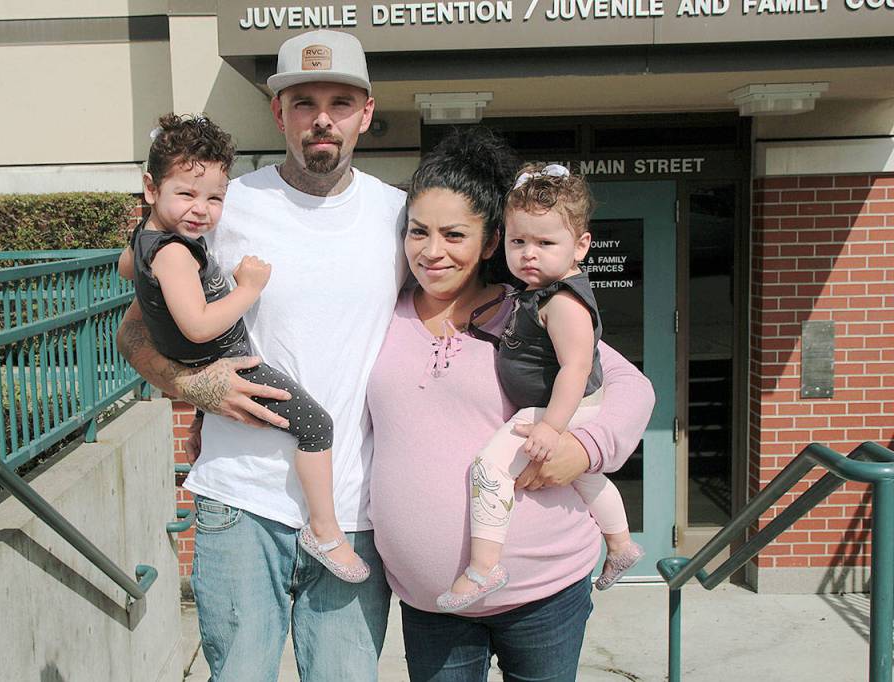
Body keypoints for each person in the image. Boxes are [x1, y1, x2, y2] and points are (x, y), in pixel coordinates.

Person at [116, 30, 406, 680]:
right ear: (279, 113)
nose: (322, 118)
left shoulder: (399, 217)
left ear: (365, 111)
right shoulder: (220, 207)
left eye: (340, 101)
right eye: (303, 101)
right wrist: (191, 389)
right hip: (241, 503)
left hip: (355, 513)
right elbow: (133, 332)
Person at [367, 128, 655, 680]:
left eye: (454, 235)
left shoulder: (528, 311)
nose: (433, 251)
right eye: (418, 232)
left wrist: (584, 448)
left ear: (490, 241)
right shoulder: (384, 313)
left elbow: (627, 385)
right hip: (433, 605)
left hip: (542, 591)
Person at [121, 112, 368, 582]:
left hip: (212, 361)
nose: (202, 210)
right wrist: (247, 288)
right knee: (317, 425)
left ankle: (323, 527)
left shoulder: (148, 240)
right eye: (187, 194)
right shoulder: (174, 252)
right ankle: (326, 529)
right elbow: (197, 327)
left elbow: (125, 269)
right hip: (229, 362)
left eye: (215, 198)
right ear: (151, 188)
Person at [437, 163, 643, 612]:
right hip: (560, 407)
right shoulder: (535, 292)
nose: (529, 254)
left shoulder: (564, 301)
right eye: (518, 241)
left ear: (581, 245)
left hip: (554, 408)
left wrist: (551, 427)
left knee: (489, 470)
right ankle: (622, 544)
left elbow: (575, 368)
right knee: (587, 478)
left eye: (545, 243)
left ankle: (484, 566)